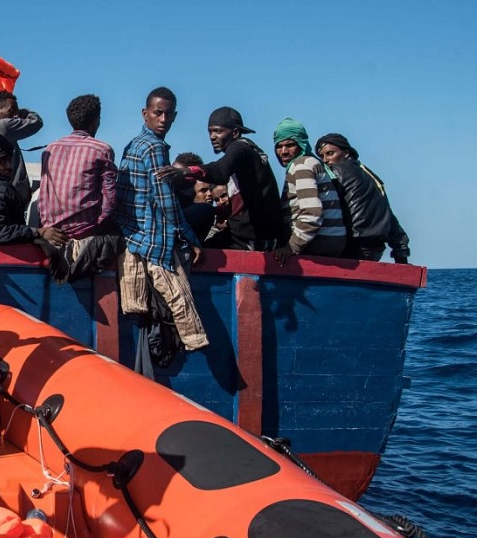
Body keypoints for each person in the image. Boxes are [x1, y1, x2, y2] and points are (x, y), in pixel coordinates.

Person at [115, 87, 209, 357]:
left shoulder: (133, 144)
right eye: (158, 113)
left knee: (139, 306)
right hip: (154, 238)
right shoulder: (155, 147)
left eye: (168, 114)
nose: (163, 119)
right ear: (146, 114)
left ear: (175, 116)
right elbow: (165, 200)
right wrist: (191, 238)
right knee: (183, 307)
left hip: (132, 236)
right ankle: (192, 346)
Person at [157, 106, 283, 251]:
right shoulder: (249, 153)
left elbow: (220, 171)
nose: (212, 136)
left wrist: (186, 171)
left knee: (202, 215)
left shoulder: (239, 148)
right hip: (259, 236)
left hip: (251, 240)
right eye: (210, 131)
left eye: (218, 131)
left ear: (235, 132)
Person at [315, 133, 411, 263]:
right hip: (375, 248)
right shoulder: (371, 176)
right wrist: (401, 252)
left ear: (346, 153)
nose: (325, 160)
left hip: (352, 245)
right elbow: (389, 215)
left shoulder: (336, 172)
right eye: (321, 156)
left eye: (330, 153)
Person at [37, 94, 117, 240]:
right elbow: (109, 199)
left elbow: (43, 195)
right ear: (96, 121)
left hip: (52, 234)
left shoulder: (50, 149)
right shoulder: (102, 150)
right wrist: (98, 226)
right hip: (86, 234)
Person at [271, 118, 347, 264]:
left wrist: (291, 247)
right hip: (331, 240)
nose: (284, 152)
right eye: (279, 146)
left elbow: (313, 213)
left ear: (301, 144)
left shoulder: (302, 165)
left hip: (319, 241)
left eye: (290, 145)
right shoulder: (311, 162)